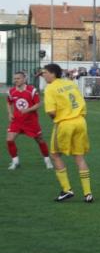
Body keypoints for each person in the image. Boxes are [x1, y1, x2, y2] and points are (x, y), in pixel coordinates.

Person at [41, 64, 93, 203]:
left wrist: (57, 120)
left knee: (54, 155)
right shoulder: (70, 83)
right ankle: (88, 193)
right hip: (80, 121)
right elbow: (82, 102)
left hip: (64, 123)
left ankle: (67, 189)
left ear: (53, 74)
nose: (43, 75)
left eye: (45, 73)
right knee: (79, 157)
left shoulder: (50, 88)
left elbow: (51, 112)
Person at [6, 71, 53, 170]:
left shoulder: (31, 90)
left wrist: (27, 110)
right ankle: (15, 162)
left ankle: (47, 160)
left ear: (24, 79)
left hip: (30, 121)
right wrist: (10, 113)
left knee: (40, 140)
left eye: (18, 78)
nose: (16, 80)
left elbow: (38, 104)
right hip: (17, 121)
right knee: (9, 140)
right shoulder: (11, 91)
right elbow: (9, 102)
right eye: (15, 79)